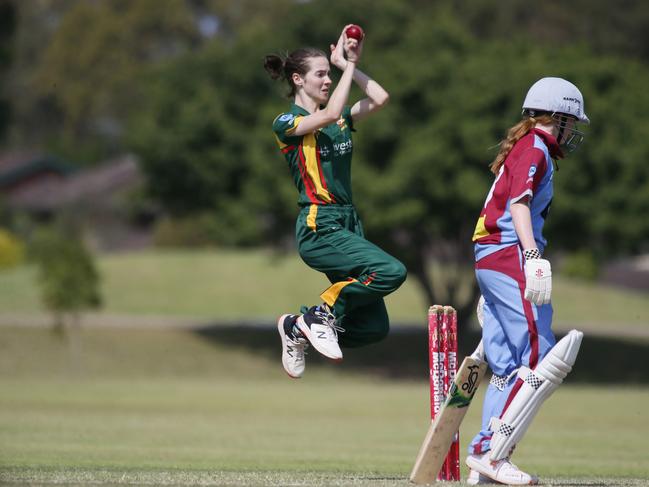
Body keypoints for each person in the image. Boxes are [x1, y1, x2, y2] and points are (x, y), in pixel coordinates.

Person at [263, 26, 406, 379]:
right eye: (321, 74)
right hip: (318, 225)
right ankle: (320, 313)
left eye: (330, 74)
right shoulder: (287, 122)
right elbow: (326, 115)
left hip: (347, 223)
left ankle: (298, 328)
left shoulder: (340, 118)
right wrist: (347, 68)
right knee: (391, 271)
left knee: (374, 328)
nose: (328, 80)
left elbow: (381, 97)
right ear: (298, 79)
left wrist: (348, 63)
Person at [466, 77, 589, 485]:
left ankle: (483, 459)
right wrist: (533, 254)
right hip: (508, 254)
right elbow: (518, 205)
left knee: (503, 368)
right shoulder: (535, 148)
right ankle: (493, 454)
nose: (574, 132)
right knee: (538, 358)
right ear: (561, 118)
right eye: (572, 122)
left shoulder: (525, 146)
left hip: (489, 258)